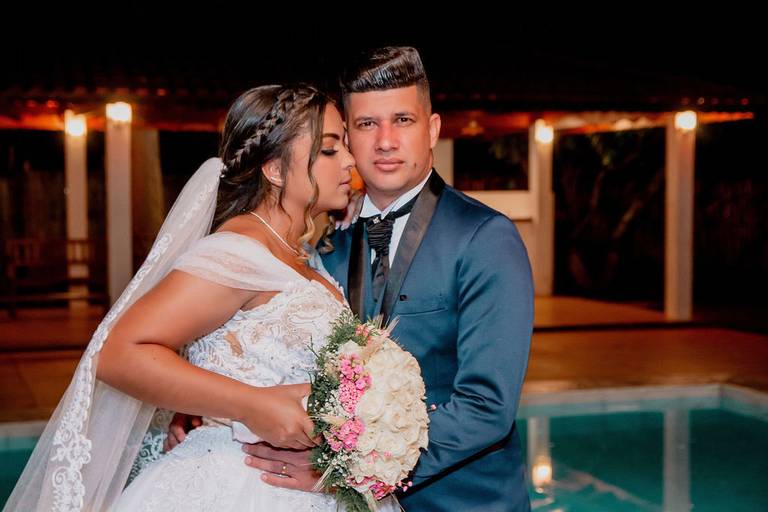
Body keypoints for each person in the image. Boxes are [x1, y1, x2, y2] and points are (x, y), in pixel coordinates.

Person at [3, 84, 399, 511]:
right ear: (274, 169)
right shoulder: (237, 252)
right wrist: (250, 404)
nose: (350, 161)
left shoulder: (298, 253)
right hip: (243, 485)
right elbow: (116, 353)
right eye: (329, 149)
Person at [241, 47, 535, 511]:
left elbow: (486, 406)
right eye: (366, 124)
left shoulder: (485, 237)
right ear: (348, 138)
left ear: (432, 129)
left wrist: (342, 470)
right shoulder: (327, 245)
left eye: (402, 120)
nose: (385, 141)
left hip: (464, 502)